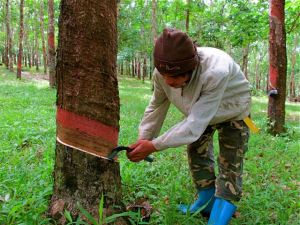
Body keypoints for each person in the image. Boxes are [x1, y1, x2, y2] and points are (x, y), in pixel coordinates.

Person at [127, 28, 251, 225]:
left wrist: (155, 145)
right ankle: (206, 202)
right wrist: (145, 138)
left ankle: (219, 217)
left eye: (175, 77)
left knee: (231, 162)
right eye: (164, 74)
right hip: (200, 111)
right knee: (196, 151)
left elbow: (194, 126)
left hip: (233, 110)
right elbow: (157, 104)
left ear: (192, 67)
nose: (168, 81)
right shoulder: (162, 74)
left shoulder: (215, 71)